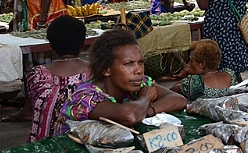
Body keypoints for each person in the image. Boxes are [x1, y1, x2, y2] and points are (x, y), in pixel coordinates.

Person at [58, 29, 186, 131]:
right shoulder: (85, 98)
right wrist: (145, 99)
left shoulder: (138, 83)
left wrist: (146, 110)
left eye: (140, 62)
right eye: (128, 64)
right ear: (106, 69)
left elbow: (179, 99)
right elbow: (130, 116)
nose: (138, 70)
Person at [26, 16, 90, 142]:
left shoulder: (37, 75)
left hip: (41, 149)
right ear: (83, 43)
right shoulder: (96, 73)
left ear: (51, 45)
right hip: (86, 145)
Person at [172, 39, 238, 100]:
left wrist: (185, 76)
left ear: (202, 64)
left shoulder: (195, 83)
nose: (188, 64)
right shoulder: (230, 74)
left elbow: (172, 90)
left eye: (191, 61)